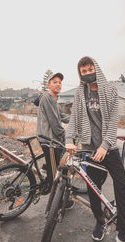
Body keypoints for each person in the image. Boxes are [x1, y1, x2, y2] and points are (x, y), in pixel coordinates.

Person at [65, 56, 125, 242]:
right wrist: (69, 139)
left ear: (96, 69)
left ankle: (124, 232)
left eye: (90, 69)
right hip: (89, 149)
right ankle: (99, 221)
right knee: (93, 189)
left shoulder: (110, 90)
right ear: (80, 74)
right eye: (84, 71)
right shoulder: (80, 93)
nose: (88, 73)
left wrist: (105, 146)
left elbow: (113, 121)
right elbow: (74, 118)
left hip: (109, 148)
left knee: (121, 187)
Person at [37, 72, 74, 209]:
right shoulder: (47, 97)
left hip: (52, 140)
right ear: (48, 85)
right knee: (55, 174)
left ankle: (45, 174)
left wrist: (76, 120)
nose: (58, 84)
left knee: (56, 165)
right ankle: (55, 204)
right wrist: (65, 136)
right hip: (49, 140)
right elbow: (54, 123)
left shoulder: (54, 100)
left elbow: (62, 116)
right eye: (55, 82)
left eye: (60, 82)